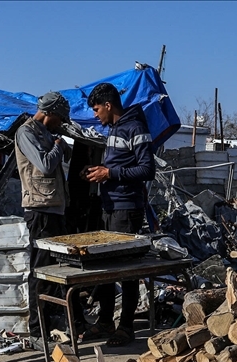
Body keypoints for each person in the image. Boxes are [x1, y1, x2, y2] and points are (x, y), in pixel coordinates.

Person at [81, 82, 155, 347]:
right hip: (110, 207)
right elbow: (119, 165)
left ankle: (126, 327)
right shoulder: (113, 130)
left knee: (126, 269)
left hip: (127, 209)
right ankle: (105, 321)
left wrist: (110, 173)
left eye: (97, 108)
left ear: (109, 105)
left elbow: (147, 170)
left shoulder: (135, 127)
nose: (95, 114)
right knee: (108, 268)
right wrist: (100, 170)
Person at [15, 91, 78, 349]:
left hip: (54, 209)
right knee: (40, 272)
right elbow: (44, 165)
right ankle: (36, 331)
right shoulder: (26, 132)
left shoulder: (45, 134)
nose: (61, 124)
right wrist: (60, 145)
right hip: (40, 210)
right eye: (60, 118)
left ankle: (54, 326)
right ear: (49, 113)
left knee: (57, 272)